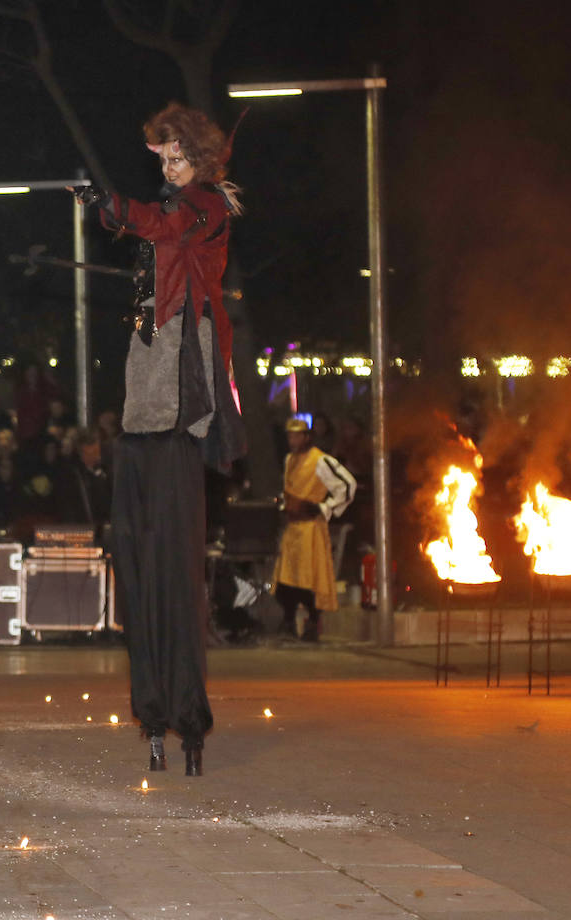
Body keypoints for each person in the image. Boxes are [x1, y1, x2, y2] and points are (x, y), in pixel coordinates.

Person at [73, 102, 246, 776]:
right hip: (144, 404)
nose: (168, 170)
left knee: (174, 574)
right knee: (141, 572)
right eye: (162, 159)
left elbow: (161, 222)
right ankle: (152, 710)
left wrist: (115, 204)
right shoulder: (175, 212)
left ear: (199, 159)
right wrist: (107, 207)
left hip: (180, 406)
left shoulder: (207, 206)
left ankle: (185, 714)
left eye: (174, 158)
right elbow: (145, 229)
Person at [272, 416, 356, 642]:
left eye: (297, 435)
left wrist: (323, 507)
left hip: (311, 529)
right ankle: (289, 621)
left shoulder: (321, 461)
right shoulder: (289, 460)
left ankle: (312, 622)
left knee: (310, 579)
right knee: (286, 580)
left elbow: (347, 485)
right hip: (293, 528)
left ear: (307, 437)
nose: (292, 440)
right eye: (289, 435)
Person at [53, 427, 112, 541]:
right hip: (79, 531)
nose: (97, 455)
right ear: (82, 452)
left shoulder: (103, 472)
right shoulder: (71, 475)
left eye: (97, 451)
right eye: (93, 452)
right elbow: (68, 506)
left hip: (99, 529)